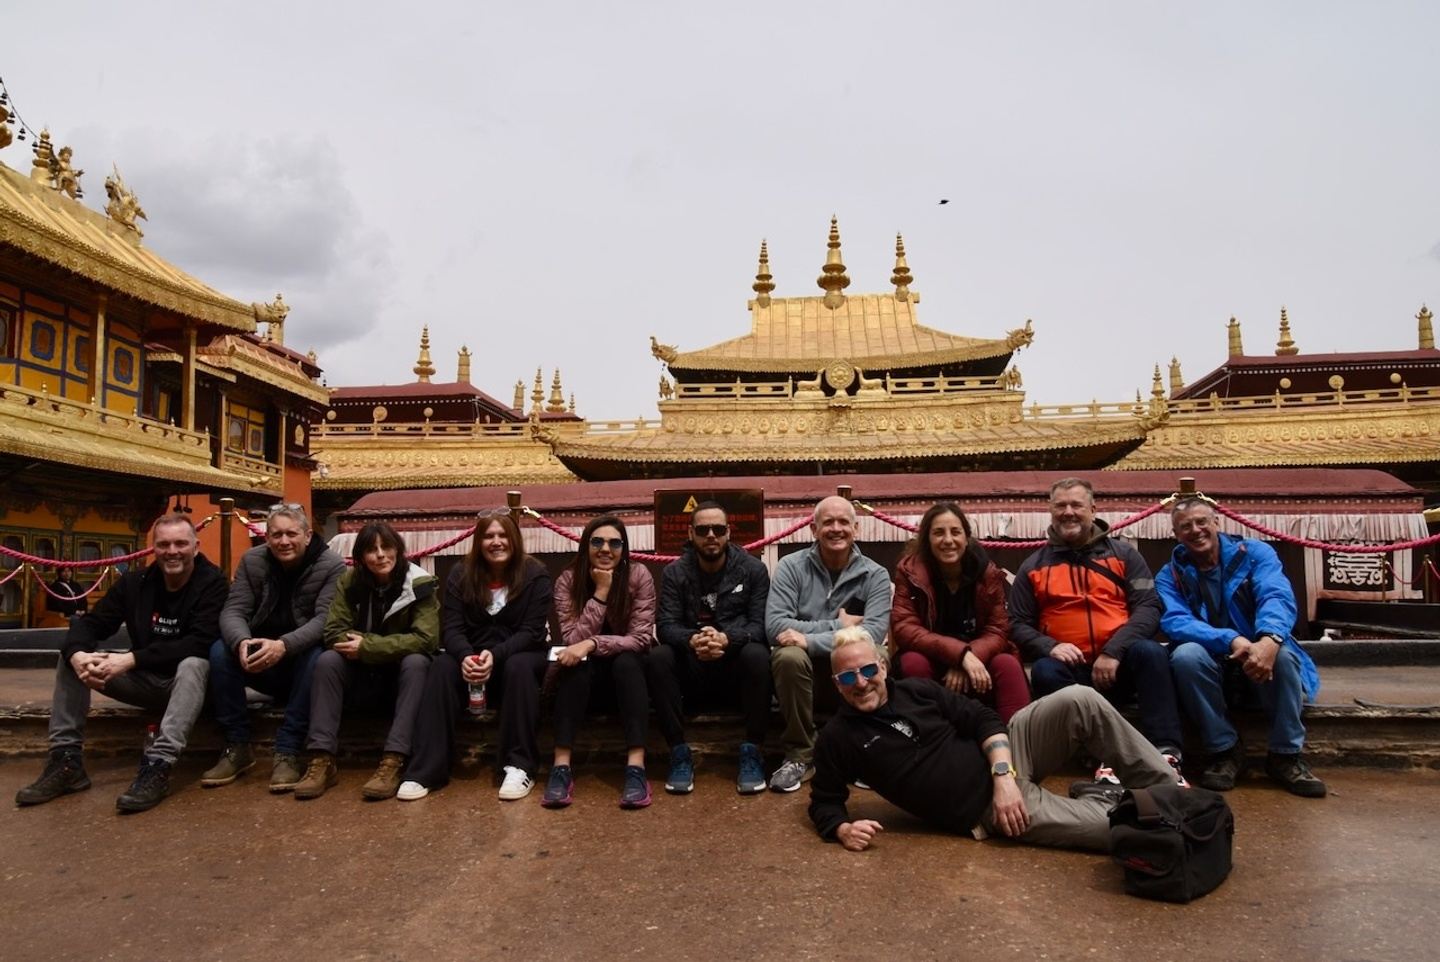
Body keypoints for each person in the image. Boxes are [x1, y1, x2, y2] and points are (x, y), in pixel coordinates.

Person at [808, 627, 1179, 852]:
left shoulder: (916, 690)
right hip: (986, 808)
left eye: (868, 670)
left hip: (1008, 755)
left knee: (1079, 698)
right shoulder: (838, 738)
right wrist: (843, 829)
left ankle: (1169, 790)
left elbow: (982, 717)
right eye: (847, 677)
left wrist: (1003, 776)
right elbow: (824, 800)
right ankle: (1134, 807)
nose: (861, 683)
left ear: (883, 666)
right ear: (836, 684)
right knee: (1123, 828)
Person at [15, 514, 228, 813]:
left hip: (194, 689)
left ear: (196, 546)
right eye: (164, 544)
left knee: (194, 663)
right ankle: (66, 761)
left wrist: (130, 659)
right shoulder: (135, 583)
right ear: (153, 548)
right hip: (144, 681)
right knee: (73, 658)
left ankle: (158, 764)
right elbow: (92, 623)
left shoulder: (214, 583)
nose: (172, 551)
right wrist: (77, 654)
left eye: (181, 543)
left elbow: (200, 641)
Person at [1009, 478, 1186, 786]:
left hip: (1121, 665)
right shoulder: (1033, 566)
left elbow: (1149, 606)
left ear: (1092, 510)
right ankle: (1097, 749)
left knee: (1150, 652)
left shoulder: (1125, 555)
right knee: (1045, 670)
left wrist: (1114, 650)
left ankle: (1166, 750)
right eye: (1060, 506)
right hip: (1073, 674)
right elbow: (1016, 623)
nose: (1068, 512)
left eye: (1076, 505)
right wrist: (1049, 646)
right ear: (1050, 511)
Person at [1157, 498, 1326, 798]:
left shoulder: (1255, 554)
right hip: (1212, 659)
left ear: (1217, 522)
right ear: (1176, 534)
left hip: (1260, 648)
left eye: (1201, 522)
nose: (1195, 530)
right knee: (1185, 656)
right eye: (1185, 526)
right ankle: (1224, 750)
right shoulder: (1170, 575)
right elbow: (1176, 621)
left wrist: (1269, 638)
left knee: (1284, 657)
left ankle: (1286, 755)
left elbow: (1275, 595)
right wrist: (1230, 639)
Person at [399, 510, 551, 802]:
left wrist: (494, 654)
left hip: (520, 654)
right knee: (442, 666)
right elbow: (452, 628)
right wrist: (466, 657)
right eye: (488, 536)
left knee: (519, 667)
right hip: (472, 656)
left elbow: (532, 632)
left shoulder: (535, 574)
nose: (496, 542)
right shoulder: (461, 574)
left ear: (514, 539)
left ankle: (519, 766)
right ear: (478, 541)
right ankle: (425, 770)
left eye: (503, 535)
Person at [204, 503, 345, 792]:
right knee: (220, 651)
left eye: (291, 534)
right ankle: (237, 744)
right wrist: (242, 641)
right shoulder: (252, 561)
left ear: (307, 535)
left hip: (300, 659)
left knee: (321, 656)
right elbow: (234, 609)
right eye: (276, 534)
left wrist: (283, 645)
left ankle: (289, 749)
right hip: (258, 654)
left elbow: (325, 621)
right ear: (267, 537)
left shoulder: (332, 565)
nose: (284, 541)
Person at [293, 523, 439, 801]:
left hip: (400, 678)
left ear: (398, 550)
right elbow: (333, 632)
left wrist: (367, 646)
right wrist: (369, 649)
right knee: (327, 660)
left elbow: (426, 639)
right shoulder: (349, 582)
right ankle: (322, 758)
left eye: (387, 547)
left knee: (417, 662)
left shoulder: (419, 584)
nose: (380, 555)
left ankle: (394, 759)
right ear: (361, 556)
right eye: (372, 550)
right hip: (360, 675)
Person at [766, 495, 892, 792]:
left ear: (856, 529)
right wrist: (841, 626)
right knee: (788, 656)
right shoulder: (790, 567)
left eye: (844, 522)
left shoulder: (875, 574)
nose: (836, 529)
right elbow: (775, 626)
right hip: (806, 673)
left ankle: (864, 749)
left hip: (851, 669)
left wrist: (808, 639)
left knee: (877, 656)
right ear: (814, 529)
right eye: (828, 522)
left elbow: (873, 633)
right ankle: (801, 754)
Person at [647, 501, 772, 794]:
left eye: (718, 529)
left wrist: (726, 639)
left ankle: (753, 750)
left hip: (734, 669)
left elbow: (759, 626)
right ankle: (678, 751)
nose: (711, 535)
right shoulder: (675, 572)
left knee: (758, 654)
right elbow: (666, 626)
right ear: (691, 534)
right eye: (703, 530)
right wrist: (693, 640)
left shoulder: (753, 570)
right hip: (693, 670)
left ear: (728, 532)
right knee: (658, 657)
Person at [544, 515, 656, 809]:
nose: (606, 549)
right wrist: (601, 593)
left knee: (627, 662)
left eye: (614, 543)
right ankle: (561, 767)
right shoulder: (568, 580)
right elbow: (572, 641)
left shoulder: (639, 575)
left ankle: (636, 769)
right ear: (586, 546)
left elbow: (640, 638)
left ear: (624, 549)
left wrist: (594, 643)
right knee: (575, 665)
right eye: (597, 542)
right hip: (585, 680)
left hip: (628, 678)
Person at [890, 502, 1030, 722]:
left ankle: (1018, 735)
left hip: (979, 658)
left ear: (966, 538)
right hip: (931, 656)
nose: (948, 540)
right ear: (927, 539)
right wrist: (960, 656)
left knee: (1007, 664)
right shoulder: (910, 573)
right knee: (912, 662)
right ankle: (929, 734)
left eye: (955, 532)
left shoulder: (987, 573)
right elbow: (904, 627)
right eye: (939, 533)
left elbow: (998, 629)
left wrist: (969, 657)